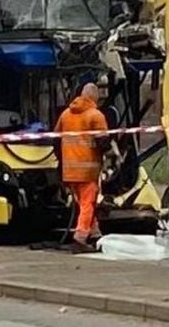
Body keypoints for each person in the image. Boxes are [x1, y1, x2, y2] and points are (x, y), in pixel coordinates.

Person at [55, 82, 108, 252]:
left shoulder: (65, 114)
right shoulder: (96, 115)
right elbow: (103, 143)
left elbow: (55, 139)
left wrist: (61, 161)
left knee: (84, 204)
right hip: (87, 170)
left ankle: (95, 233)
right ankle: (81, 237)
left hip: (69, 170)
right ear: (95, 97)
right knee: (88, 204)